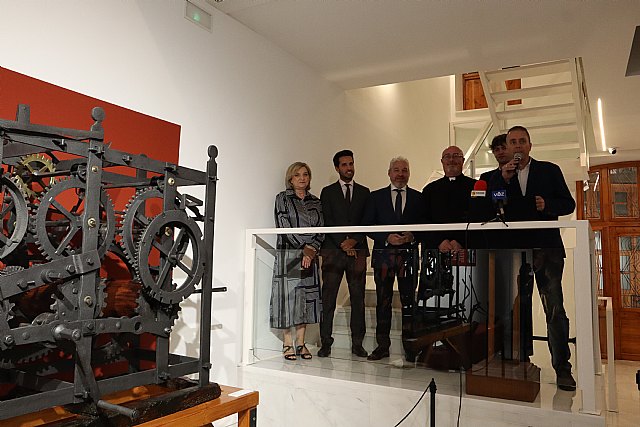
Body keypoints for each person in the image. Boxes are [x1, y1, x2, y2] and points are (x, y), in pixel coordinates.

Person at [488, 125, 577, 391]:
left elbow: (568, 204)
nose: (516, 146)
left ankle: (563, 368)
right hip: (514, 253)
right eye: (512, 142)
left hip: (547, 249)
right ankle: (519, 361)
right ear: (508, 146)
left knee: (555, 309)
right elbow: (493, 207)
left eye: (521, 141)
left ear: (529, 145)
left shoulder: (550, 170)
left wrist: (546, 205)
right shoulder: (498, 176)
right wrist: (503, 180)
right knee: (515, 309)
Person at [362, 157, 426, 361]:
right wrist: (386, 237)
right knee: (383, 302)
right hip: (383, 257)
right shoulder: (375, 197)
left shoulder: (419, 198)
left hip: (408, 257)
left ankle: (410, 347)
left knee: (409, 303)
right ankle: (383, 346)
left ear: (409, 173)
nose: (400, 174)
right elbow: (368, 225)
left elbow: (424, 225)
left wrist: (412, 236)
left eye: (404, 170)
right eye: (396, 170)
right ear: (389, 173)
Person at [318, 150, 370, 358]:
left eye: (351, 164)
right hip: (333, 250)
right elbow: (327, 219)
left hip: (357, 251)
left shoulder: (365, 192)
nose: (349, 168)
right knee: (328, 298)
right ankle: (325, 342)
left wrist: (353, 240)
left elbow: (368, 220)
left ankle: (358, 343)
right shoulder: (327, 192)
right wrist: (342, 242)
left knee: (358, 298)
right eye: (344, 165)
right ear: (337, 168)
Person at [271, 162, 324, 361]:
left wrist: (312, 251)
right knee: (288, 299)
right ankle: (287, 343)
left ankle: (301, 343)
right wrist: (304, 250)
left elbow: (321, 229)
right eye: (297, 175)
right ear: (290, 178)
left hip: (311, 256)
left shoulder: (316, 201)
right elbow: (284, 226)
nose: (302, 178)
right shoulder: (282, 198)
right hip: (290, 255)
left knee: (307, 300)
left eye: (305, 174)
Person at [422, 146, 476, 253]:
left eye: (456, 156)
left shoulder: (475, 186)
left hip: (468, 247)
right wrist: (440, 241)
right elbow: (423, 219)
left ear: (463, 161)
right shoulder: (430, 190)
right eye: (447, 157)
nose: (451, 160)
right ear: (442, 161)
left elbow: (480, 217)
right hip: (437, 249)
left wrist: (461, 241)